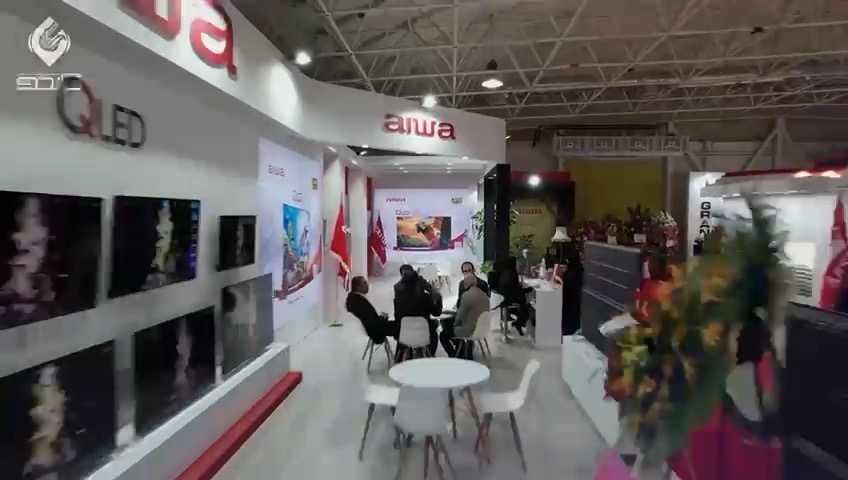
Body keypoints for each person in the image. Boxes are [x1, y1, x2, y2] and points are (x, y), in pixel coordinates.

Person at [439, 273, 489, 358]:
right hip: (482, 328)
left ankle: (454, 355)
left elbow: (459, 318)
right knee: (451, 328)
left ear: (465, 284)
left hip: (470, 330)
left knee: (443, 334)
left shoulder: (467, 296)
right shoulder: (484, 295)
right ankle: (460, 349)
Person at [394, 269, 442, 356]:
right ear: (416, 283)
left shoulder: (398, 301)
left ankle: (402, 354)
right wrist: (438, 298)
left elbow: (397, 316)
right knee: (434, 329)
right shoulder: (424, 299)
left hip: (404, 335)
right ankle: (430, 354)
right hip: (424, 333)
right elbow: (437, 313)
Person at [345, 276, 399, 345]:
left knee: (400, 326)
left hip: (374, 328)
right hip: (376, 331)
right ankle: (403, 350)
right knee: (402, 327)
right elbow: (371, 322)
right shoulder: (358, 302)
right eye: (364, 283)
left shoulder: (353, 299)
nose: (367, 285)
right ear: (357, 287)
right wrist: (383, 317)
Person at [493, 256, 533, 335]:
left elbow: (513, 289)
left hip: (508, 296)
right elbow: (512, 290)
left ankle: (518, 322)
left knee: (525, 303)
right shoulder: (509, 274)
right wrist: (526, 290)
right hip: (508, 298)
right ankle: (518, 323)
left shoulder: (507, 272)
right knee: (525, 304)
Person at [559, 242, 584, 335]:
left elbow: (565, 295)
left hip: (569, 306)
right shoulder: (582, 272)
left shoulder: (568, 274)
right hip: (580, 306)